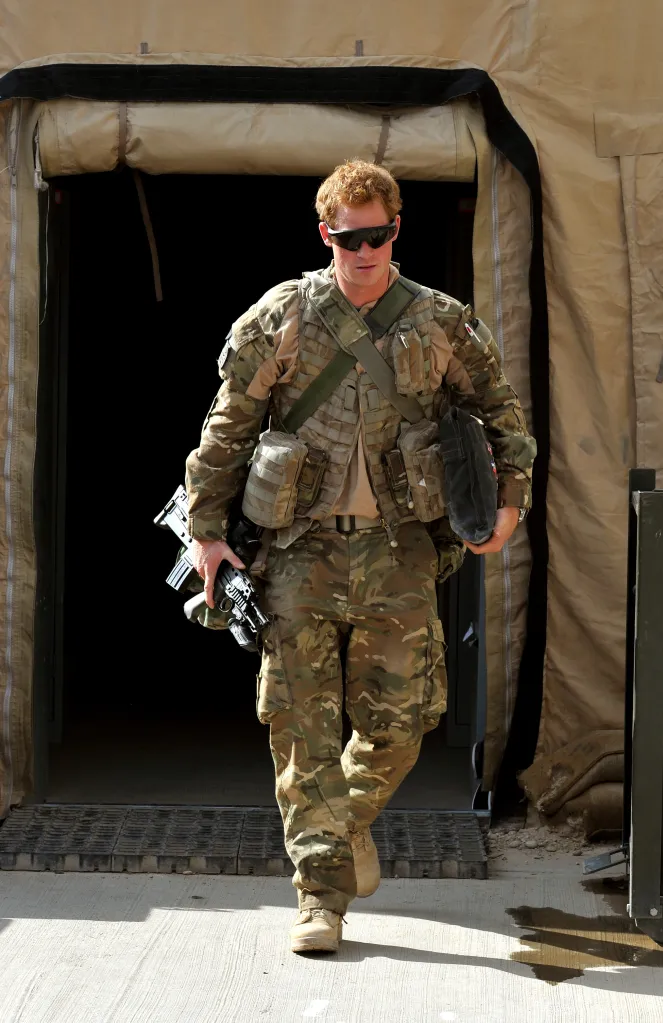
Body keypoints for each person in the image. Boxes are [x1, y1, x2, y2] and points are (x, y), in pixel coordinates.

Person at [185, 160, 536, 954]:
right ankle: (320, 898)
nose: (364, 250)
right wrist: (207, 529)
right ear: (326, 235)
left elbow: (502, 418)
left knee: (401, 725)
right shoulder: (284, 317)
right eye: (349, 238)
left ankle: (338, 828)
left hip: (399, 551)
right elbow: (227, 427)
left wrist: (508, 502)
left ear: (396, 231)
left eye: (377, 235)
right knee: (300, 725)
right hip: (299, 554)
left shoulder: (441, 324)